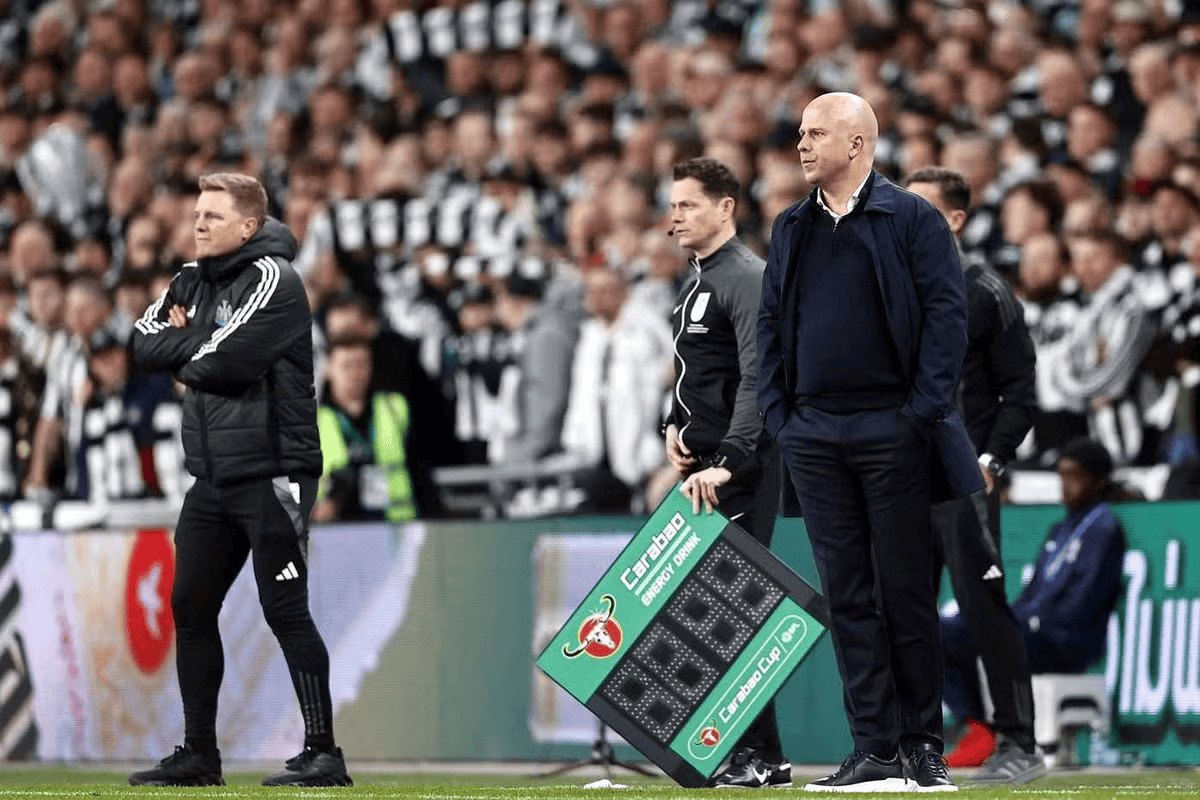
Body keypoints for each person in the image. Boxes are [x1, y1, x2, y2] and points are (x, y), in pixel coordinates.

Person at [757, 92, 978, 792]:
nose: (802, 144)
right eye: (801, 133)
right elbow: (769, 326)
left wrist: (918, 415)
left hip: (893, 428)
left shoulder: (911, 217)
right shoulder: (791, 225)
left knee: (905, 593)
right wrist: (781, 418)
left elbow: (947, 317)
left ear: (856, 144)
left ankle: (923, 745)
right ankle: (874, 748)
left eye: (816, 133)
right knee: (847, 597)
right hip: (813, 435)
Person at [129, 173, 352, 787]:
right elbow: (140, 344)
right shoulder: (189, 278)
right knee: (190, 605)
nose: (198, 224)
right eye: (197, 214)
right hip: (212, 477)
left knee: (284, 608)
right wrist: (195, 347)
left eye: (213, 216)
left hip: (274, 470)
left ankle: (323, 752)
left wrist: (185, 343)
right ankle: (199, 753)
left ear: (249, 227)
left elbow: (226, 363)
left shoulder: (275, 279)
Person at [905, 167, 1045, 784]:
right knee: (904, 613)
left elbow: (1022, 391)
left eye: (922, 209)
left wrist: (991, 460)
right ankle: (913, 746)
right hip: (904, 482)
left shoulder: (984, 290)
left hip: (965, 482)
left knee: (984, 610)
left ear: (956, 220)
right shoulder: (891, 289)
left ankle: (1020, 742)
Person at [665, 157, 784, 788]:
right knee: (720, 612)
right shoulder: (701, 279)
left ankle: (754, 755)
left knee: (734, 612)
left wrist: (731, 459)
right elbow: (699, 372)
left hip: (738, 468)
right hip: (703, 466)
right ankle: (766, 755)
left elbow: (759, 376)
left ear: (726, 208)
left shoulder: (747, 277)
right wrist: (672, 424)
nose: (675, 218)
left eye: (687, 205)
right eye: (673, 206)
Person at [941, 438, 1128, 747]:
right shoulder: (1061, 528)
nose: (1065, 485)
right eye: (1062, 476)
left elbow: (1085, 601)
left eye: (1075, 477)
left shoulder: (1104, 528)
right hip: (1032, 629)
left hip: (1064, 641)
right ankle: (977, 728)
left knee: (968, 632)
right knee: (941, 633)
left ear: (1099, 481)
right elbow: (1032, 592)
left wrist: (1027, 622)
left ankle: (990, 730)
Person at [313, 335, 418, 523]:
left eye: (361, 365)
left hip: (393, 524)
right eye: (346, 366)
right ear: (328, 368)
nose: (355, 373)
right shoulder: (312, 421)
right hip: (335, 527)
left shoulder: (394, 408)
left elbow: (418, 466)